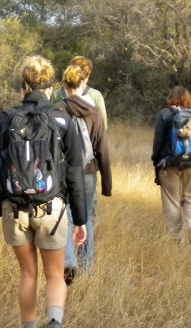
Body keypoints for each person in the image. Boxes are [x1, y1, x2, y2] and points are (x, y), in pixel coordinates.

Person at [0, 55, 87, 328]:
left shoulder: (6, 118)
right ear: (50, 86)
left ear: (23, 85)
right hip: (51, 209)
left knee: (27, 274)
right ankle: (54, 322)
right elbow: (75, 173)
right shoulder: (63, 119)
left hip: (13, 210)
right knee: (54, 274)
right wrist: (81, 219)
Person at [54, 63, 112, 283]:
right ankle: (87, 267)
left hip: (63, 172)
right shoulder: (93, 112)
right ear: (82, 83)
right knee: (85, 217)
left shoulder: (57, 109)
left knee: (66, 216)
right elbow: (102, 148)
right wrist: (106, 183)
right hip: (88, 172)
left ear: (65, 84)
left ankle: (69, 262)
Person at [151, 86, 191, 245]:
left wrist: (156, 161)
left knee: (171, 201)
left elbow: (158, 142)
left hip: (169, 164)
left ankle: (175, 240)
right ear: (188, 98)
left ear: (171, 98)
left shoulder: (165, 113)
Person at [52, 56, 108, 130]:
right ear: (87, 75)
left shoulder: (56, 95)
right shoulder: (95, 96)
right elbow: (103, 125)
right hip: (88, 140)